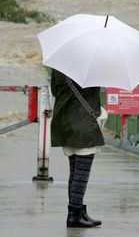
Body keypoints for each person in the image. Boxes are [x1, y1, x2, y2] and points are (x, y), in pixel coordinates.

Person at [50, 68, 105, 228]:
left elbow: (55, 91)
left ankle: (77, 211)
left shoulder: (58, 67)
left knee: (74, 172)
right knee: (81, 174)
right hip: (83, 125)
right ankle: (74, 215)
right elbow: (94, 91)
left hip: (65, 123)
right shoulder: (91, 68)